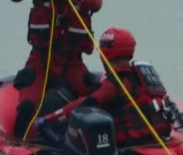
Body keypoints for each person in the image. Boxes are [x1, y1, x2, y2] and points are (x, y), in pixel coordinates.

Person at [9, 0, 104, 138]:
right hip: (41, 60)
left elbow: (96, 2)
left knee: (96, 98)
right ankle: (18, 148)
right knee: (26, 108)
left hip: (72, 62)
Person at [31, 26, 174, 147]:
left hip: (129, 146)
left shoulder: (113, 85)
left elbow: (83, 104)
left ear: (106, 52)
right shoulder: (140, 76)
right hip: (156, 140)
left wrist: (49, 119)